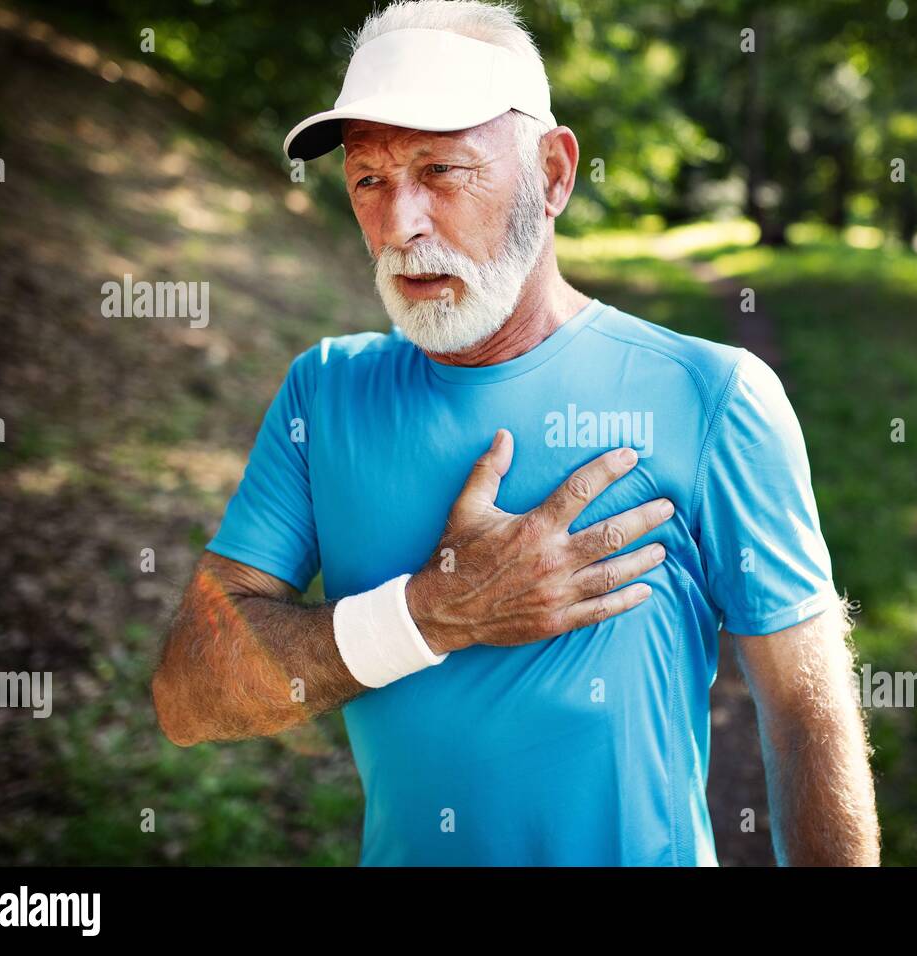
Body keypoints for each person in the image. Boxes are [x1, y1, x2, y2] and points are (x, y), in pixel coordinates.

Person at [152, 0, 879, 867]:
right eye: (370, 179)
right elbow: (188, 694)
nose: (400, 224)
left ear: (555, 173)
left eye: (441, 170)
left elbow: (808, 718)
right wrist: (430, 613)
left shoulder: (714, 397)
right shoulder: (326, 391)